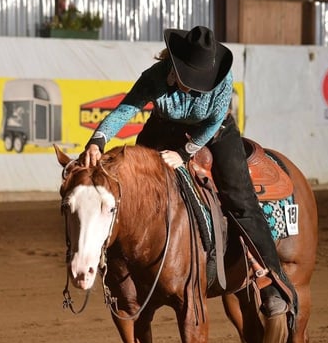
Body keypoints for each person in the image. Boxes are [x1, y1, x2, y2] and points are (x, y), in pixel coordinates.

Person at [81, 25, 291, 317]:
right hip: (164, 128)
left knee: (241, 199)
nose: (192, 86)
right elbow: (126, 110)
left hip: (214, 133)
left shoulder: (221, 80)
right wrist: (97, 141)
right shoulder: (154, 77)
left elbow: (214, 121)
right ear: (175, 65)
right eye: (188, 78)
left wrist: (184, 153)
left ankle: (274, 282)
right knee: (136, 190)